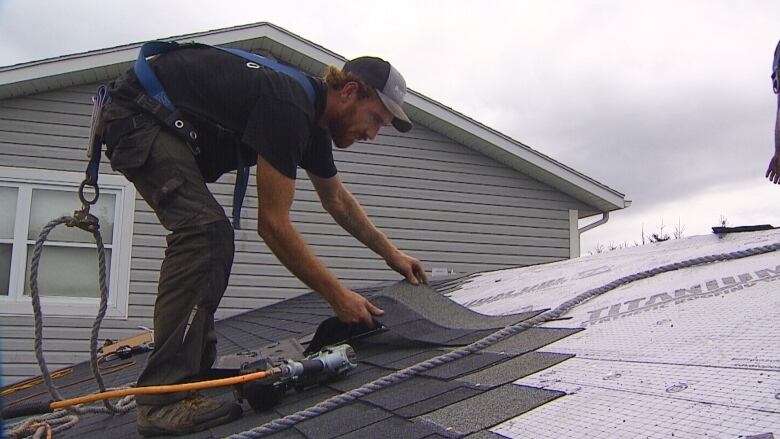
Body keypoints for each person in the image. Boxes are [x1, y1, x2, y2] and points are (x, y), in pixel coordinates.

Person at [100, 43, 428, 436]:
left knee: (210, 232)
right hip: (136, 115)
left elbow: (337, 201)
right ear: (350, 92)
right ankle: (161, 400)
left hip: (153, 115)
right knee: (205, 233)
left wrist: (393, 255)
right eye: (375, 118)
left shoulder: (311, 123)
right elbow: (273, 225)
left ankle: (193, 373)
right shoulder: (287, 104)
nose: (373, 134)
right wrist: (338, 296)